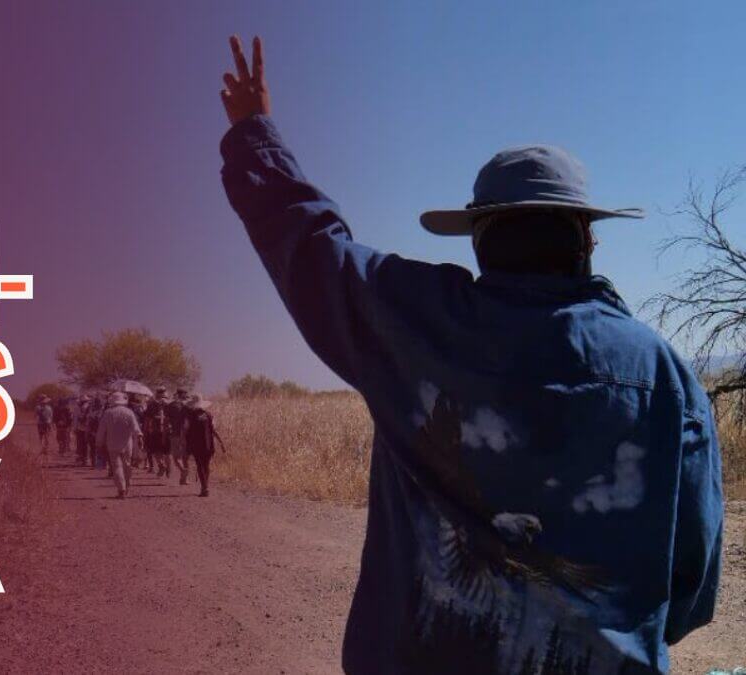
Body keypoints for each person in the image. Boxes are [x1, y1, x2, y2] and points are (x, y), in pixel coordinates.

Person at [219, 35, 722, 675]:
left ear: (480, 238)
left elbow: (311, 249)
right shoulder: (665, 376)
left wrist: (254, 132)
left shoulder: (411, 323)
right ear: (587, 239)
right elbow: (690, 579)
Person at [95, 392, 143, 499]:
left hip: (112, 444)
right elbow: (136, 428)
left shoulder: (108, 413)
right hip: (127, 444)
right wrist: (139, 436)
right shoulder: (129, 412)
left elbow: (101, 430)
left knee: (116, 467)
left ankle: (121, 489)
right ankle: (127, 486)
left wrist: (99, 443)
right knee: (127, 465)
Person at [182, 394, 225, 498]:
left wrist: (184, 442)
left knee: (200, 465)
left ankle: (204, 488)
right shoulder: (209, 415)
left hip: (196, 444)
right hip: (208, 444)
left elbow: (185, 430)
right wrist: (221, 442)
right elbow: (213, 430)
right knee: (206, 465)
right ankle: (206, 487)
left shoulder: (190, 416)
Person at [164, 388, 191, 483]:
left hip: (175, 433)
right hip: (187, 434)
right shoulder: (188, 406)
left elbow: (166, 421)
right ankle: (184, 479)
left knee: (176, 458)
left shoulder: (171, 405)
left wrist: (165, 433)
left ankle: (183, 471)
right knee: (185, 457)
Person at [144, 387, 171, 474]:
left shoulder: (151, 404)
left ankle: (161, 465)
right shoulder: (169, 404)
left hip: (155, 430)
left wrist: (146, 430)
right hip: (167, 431)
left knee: (156, 451)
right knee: (167, 452)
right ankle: (168, 469)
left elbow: (147, 418)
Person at [74, 395, 91, 466]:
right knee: (87, 445)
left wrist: (75, 428)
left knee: (80, 445)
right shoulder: (90, 407)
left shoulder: (77, 408)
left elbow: (75, 419)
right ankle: (86, 460)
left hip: (80, 428)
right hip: (88, 429)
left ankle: (82, 459)